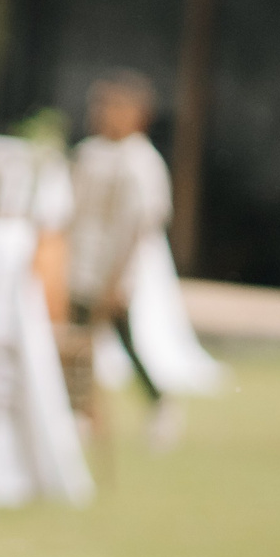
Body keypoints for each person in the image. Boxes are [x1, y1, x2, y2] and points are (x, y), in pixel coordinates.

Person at [67, 70, 181, 448]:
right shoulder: (90, 152)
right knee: (79, 342)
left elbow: (141, 223)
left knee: (118, 341)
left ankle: (157, 402)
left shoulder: (141, 161)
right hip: (81, 264)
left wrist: (120, 277)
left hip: (112, 267)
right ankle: (80, 412)